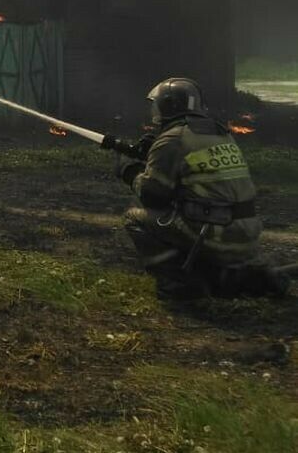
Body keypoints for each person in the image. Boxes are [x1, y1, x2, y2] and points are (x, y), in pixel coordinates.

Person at [116, 77, 290, 299]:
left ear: (168, 105)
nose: (154, 112)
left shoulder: (173, 139)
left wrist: (129, 172)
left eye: (156, 105)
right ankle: (225, 275)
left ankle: (179, 281)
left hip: (214, 235)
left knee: (134, 217)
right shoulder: (220, 132)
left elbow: (153, 196)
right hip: (247, 234)